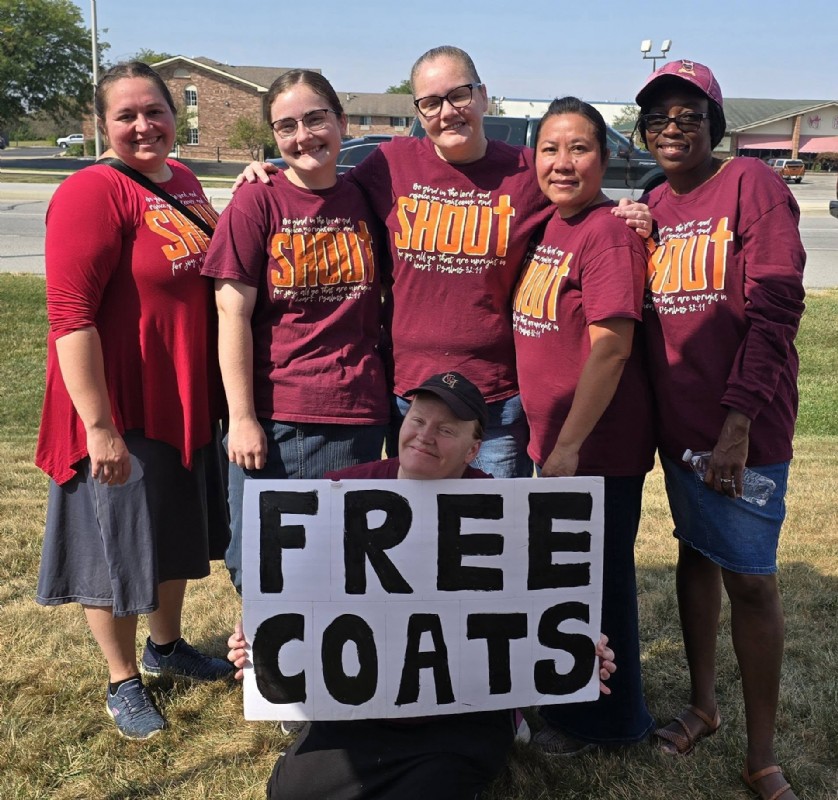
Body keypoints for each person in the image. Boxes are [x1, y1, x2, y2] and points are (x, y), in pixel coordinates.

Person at [239, 45, 653, 480]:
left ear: (483, 96)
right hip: (410, 398)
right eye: (431, 102)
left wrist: (628, 211)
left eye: (459, 95)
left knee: (490, 522)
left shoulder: (526, 171)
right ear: (418, 112)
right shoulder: (389, 164)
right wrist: (269, 174)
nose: (448, 112)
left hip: (493, 406)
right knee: (412, 520)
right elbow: (323, 186)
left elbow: (576, 194)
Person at [227, 371, 617, 800]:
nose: (425, 436)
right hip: (362, 708)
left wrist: (580, 647)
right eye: (417, 420)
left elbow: (539, 605)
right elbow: (298, 595)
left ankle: (503, 724)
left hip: (458, 716)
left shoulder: (507, 511)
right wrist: (260, 635)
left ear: (473, 450)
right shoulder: (341, 492)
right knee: (290, 794)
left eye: (446, 430)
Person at [34, 61, 234, 741]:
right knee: (112, 549)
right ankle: (122, 679)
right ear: (102, 124)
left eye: (155, 111)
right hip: (119, 401)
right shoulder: (91, 192)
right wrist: (99, 427)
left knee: (172, 531)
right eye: (126, 116)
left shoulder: (182, 181)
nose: (144, 125)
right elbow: (70, 317)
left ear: (175, 116)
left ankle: (166, 647)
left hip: (177, 395)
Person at [635, 60, 805, 800]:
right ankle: (703, 706)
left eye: (689, 116)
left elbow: (775, 311)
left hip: (745, 427)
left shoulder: (752, 185)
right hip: (679, 425)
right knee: (696, 553)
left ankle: (761, 755)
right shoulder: (652, 201)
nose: (672, 129)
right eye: (658, 118)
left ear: (716, 124)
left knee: (752, 580)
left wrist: (737, 424)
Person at [200, 70, 390, 594]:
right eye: (286, 126)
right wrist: (242, 418)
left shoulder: (367, 196)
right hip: (280, 415)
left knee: (342, 563)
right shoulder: (257, 201)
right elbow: (231, 314)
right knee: (260, 562)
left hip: (358, 411)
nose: (303, 136)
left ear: (342, 122)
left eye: (315, 119)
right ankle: (266, 647)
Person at [512, 97, 655, 755]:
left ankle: (611, 722)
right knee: (570, 580)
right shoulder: (552, 224)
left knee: (599, 586)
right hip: (556, 443)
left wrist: (568, 446)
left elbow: (612, 348)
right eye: (550, 148)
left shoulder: (606, 235)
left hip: (596, 448)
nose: (563, 162)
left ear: (605, 157)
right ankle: (571, 698)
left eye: (579, 148)